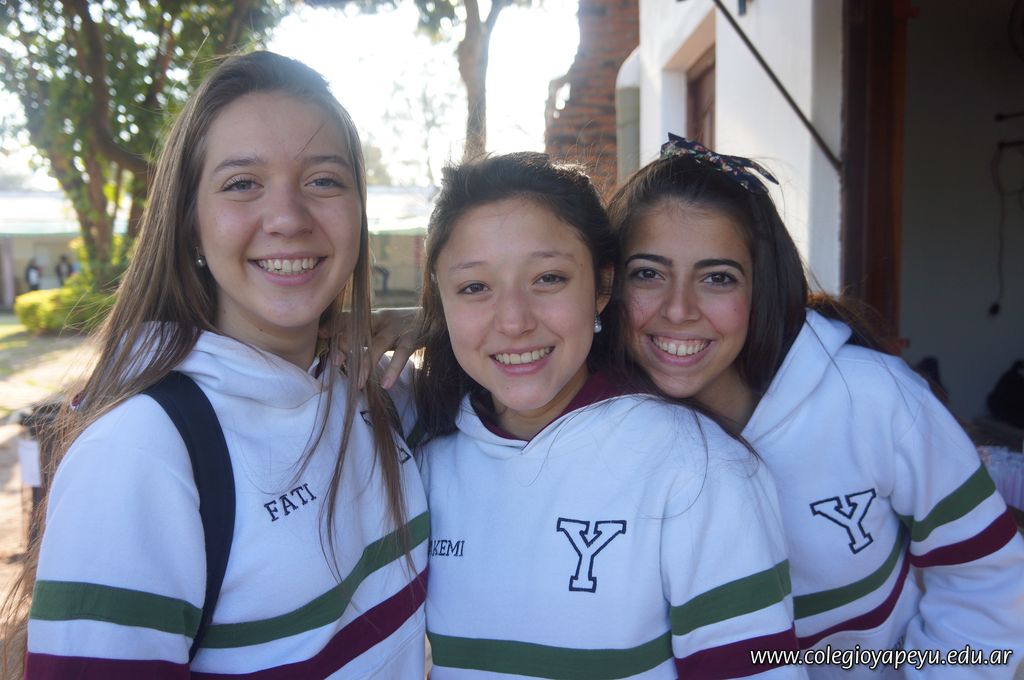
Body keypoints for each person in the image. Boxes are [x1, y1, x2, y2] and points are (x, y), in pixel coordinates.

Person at [1, 51, 427, 678]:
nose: (288, 219)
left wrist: (435, 322)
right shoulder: (140, 452)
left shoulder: (378, 387)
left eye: (324, 180)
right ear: (191, 227)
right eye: (242, 183)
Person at [605, 134, 1024, 678]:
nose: (679, 308)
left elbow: (989, 582)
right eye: (648, 273)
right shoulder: (590, 441)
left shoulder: (872, 398)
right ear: (607, 286)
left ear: (763, 288)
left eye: (717, 278)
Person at [412, 152, 803, 678]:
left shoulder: (699, 470)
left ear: (602, 287)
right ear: (440, 299)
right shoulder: (422, 460)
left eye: (548, 278)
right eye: (474, 287)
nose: (513, 321)